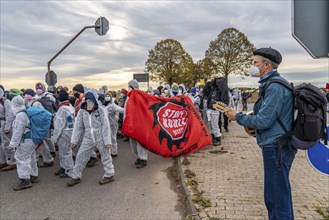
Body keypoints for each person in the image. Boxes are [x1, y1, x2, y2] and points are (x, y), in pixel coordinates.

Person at [226, 47, 297, 220]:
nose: (252, 66)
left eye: (255, 62)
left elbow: (264, 121)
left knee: (276, 198)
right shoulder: (274, 84)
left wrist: (238, 116)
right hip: (278, 145)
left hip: (276, 147)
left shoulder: (274, 87)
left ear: (265, 65)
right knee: (279, 194)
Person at [67, 89, 114, 186]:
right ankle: (76, 176)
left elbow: (105, 125)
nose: (89, 101)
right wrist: (74, 140)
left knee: (106, 155)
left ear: (95, 99)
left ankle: (109, 175)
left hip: (100, 135)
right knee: (80, 156)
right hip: (88, 137)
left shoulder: (100, 110)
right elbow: (78, 126)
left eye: (91, 99)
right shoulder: (82, 111)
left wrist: (107, 140)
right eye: (87, 99)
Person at [9, 96, 39, 191]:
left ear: (15, 105)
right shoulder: (25, 112)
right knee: (31, 157)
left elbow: (18, 131)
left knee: (22, 159)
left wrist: (12, 144)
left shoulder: (20, 116)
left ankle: (25, 180)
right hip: (31, 139)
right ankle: (33, 175)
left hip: (25, 141)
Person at [125, 80, 149, 168]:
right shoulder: (129, 97)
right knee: (133, 142)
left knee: (140, 142)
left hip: (139, 123)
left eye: (129, 86)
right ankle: (138, 156)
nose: (128, 88)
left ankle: (143, 159)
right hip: (131, 123)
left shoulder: (139, 96)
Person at [51, 90, 75, 178]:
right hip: (70, 131)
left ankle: (69, 170)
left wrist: (55, 136)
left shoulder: (62, 109)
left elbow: (59, 124)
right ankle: (64, 167)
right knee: (64, 152)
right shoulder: (70, 106)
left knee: (65, 153)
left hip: (64, 133)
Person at [0, 87, 16, 171]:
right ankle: (3, 160)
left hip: (4, 123)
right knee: (2, 145)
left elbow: (9, 115)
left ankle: (12, 161)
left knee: (6, 144)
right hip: (1, 123)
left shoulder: (6, 102)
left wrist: (7, 127)